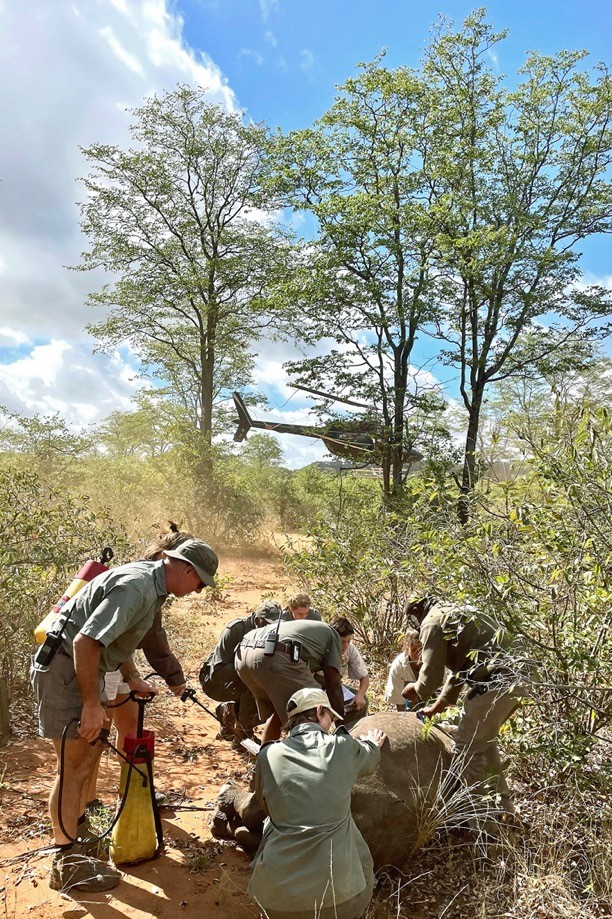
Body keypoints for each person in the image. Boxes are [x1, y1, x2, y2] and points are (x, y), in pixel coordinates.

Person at [30, 537, 218, 893]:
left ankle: (77, 841)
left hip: (83, 669)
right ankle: (66, 862)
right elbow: (85, 642)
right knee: (73, 767)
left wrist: (131, 677)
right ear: (186, 569)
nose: (198, 591)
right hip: (66, 670)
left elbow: (115, 638)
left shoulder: (152, 586)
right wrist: (91, 704)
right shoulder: (138, 587)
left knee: (86, 759)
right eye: (200, 583)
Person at [249, 687, 386, 919]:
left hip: (274, 902)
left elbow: (265, 804)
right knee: (348, 827)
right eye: (330, 717)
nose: (331, 724)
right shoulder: (342, 746)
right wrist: (372, 744)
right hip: (338, 903)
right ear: (320, 711)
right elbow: (370, 758)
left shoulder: (267, 755)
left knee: (273, 823)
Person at [87, 523, 194, 806]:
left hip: (121, 661)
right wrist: (175, 677)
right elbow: (153, 637)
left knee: (131, 728)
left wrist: (133, 675)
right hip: (102, 660)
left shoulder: (155, 581)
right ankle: (88, 801)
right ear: (168, 558)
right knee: (97, 736)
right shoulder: (143, 581)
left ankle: (131, 793)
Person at [401, 597, 523, 821]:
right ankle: (504, 809)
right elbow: (460, 672)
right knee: (482, 741)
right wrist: (435, 709)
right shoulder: (453, 611)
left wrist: (415, 688)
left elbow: (430, 679)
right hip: (519, 677)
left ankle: (484, 824)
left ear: (417, 610)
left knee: (466, 749)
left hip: (499, 681)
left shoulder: (432, 622)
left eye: (411, 617)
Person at [235, 618, 345, 744]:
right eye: (345, 642)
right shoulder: (332, 635)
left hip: (243, 655)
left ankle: (265, 753)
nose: (346, 646)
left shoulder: (309, 630)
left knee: (282, 710)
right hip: (273, 656)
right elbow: (334, 685)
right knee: (311, 703)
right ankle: (311, 753)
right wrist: (343, 731)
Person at [198, 599, 282, 748]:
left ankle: (229, 713)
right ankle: (242, 734)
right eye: (267, 624)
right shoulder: (236, 629)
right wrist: (250, 666)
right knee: (254, 682)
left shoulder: (273, 632)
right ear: (257, 620)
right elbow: (216, 673)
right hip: (215, 683)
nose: (271, 628)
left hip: (242, 679)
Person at [326, 617, 370, 728]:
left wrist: (360, 695)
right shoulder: (322, 648)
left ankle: (349, 733)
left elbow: (364, 677)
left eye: (348, 641)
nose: (345, 646)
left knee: (360, 702)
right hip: (318, 688)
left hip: (336, 687)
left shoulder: (350, 649)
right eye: (342, 642)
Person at [385, 629, 423, 711]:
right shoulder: (398, 667)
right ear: (407, 648)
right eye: (413, 650)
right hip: (410, 708)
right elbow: (400, 704)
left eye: (421, 650)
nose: (418, 654)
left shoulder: (435, 662)